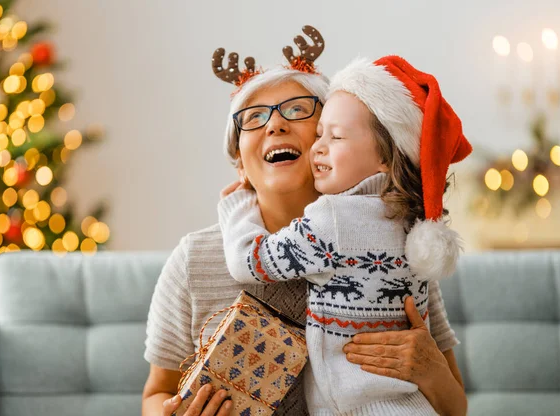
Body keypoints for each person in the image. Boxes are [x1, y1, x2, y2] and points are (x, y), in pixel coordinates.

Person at [142, 26, 467, 416]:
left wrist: (431, 371)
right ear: (239, 161)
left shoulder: (396, 244)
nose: (275, 125)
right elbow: (154, 395)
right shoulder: (195, 261)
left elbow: (455, 409)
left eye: (297, 110)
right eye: (253, 117)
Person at [219, 55, 471, 415]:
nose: (319, 147)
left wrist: (237, 205)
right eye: (321, 134)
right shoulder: (411, 227)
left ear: (385, 156)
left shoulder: (332, 218)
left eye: (334, 136)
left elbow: (248, 260)